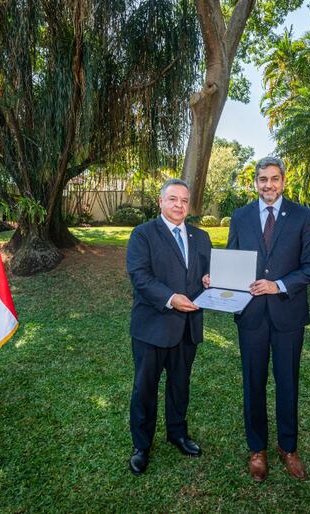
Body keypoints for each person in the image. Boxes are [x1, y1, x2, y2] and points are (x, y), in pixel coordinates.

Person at [224, 156, 310, 481]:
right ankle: (257, 449)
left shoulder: (302, 216)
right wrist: (218, 279)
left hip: (288, 316)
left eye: (274, 179)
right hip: (251, 316)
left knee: (287, 382)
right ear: (255, 182)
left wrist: (278, 285)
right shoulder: (240, 216)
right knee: (253, 383)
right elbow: (233, 260)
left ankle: (288, 448)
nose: (269, 185)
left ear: (283, 181)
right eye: (263, 179)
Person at [126, 178, 212, 475]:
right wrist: (171, 298)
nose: (179, 205)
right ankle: (142, 445)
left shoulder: (201, 238)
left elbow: (207, 275)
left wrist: (210, 281)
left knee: (180, 385)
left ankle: (177, 433)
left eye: (184, 200)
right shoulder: (143, 234)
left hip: (187, 327)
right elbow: (139, 276)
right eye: (173, 199)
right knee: (144, 389)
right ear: (160, 202)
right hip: (152, 326)